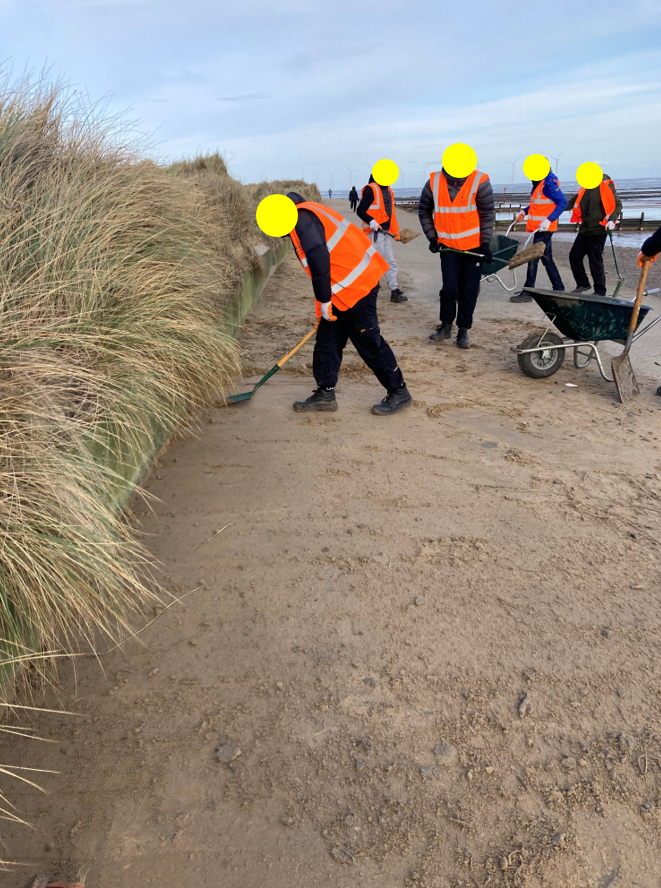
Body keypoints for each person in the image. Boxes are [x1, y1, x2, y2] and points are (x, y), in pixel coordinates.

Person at [286, 192, 412, 416]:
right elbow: (323, 266)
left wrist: (324, 300)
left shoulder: (302, 221)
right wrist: (324, 304)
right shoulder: (308, 214)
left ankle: (399, 391)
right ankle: (326, 394)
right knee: (327, 341)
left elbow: (319, 261)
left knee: (369, 341)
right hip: (341, 291)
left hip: (359, 287)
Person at [418, 165, 495, 348]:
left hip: (474, 248)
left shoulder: (480, 181)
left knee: (469, 290)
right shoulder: (434, 182)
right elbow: (424, 211)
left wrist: (485, 244)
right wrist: (432, 237)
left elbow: (487, 214)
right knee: (449, 289)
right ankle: (445, 326)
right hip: (448, 248)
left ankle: (463, 330)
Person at [510, 166, 567, 303]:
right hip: (540, 228)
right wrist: (524, 211)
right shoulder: (540, 184)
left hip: (544, 229)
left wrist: (549, 220)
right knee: (547, 258)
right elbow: (537, 204)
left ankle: (528, 291)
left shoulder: (548, 185)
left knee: (533, 257)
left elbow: (563, 202)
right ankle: (559, 289)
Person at [566, 173, 622, 296]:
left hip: (598, 230)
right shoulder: (584, 188)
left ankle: (600, 290)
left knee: (595, 260)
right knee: (574, 256)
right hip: (584, 230)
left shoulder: (606, 185)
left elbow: (617, 204)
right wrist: (554, 206)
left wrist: (612, 220)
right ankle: (583, 283)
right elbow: (571, 202)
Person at [357, 175, 407, 303]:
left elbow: (390, 213)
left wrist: (395, 232)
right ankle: (367, 291)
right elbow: (360, 210)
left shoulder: (388, 189)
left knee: (390, 262)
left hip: (385, 232)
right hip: (374, 233)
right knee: (375, 263)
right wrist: (371, 221)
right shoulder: (371, 190)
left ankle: (394, 291)